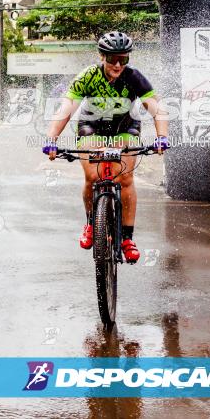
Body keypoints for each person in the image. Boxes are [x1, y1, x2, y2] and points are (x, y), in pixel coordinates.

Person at [42, 31, 169, 264]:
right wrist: (52, 139)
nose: (118, 64)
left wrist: (162, 136)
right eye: (112, 59)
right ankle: (92, 222)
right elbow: (66, 109)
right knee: (93, 177)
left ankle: (127, 238)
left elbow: (157, 108)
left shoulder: (134, 77)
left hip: (125, 128)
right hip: (92, 128)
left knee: (126, 178)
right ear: (102, 56)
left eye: (124, 59)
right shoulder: (87, 76)